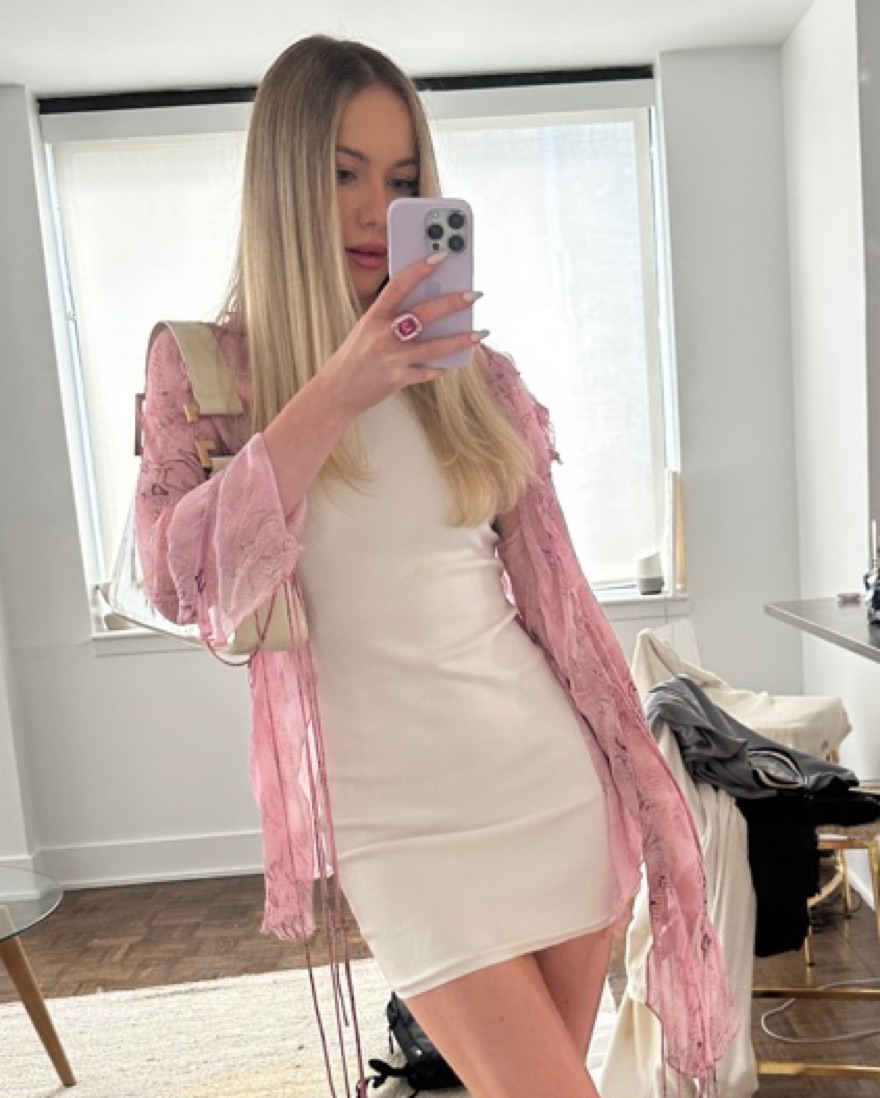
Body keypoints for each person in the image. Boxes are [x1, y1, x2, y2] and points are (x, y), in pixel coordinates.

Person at [135, 34, 738, 1098]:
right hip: (398, 825)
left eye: (404, 179)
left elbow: (558, 609)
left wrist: (639, 783)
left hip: (546, 786)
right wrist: (338, 389)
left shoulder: (475, 377)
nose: (378, 211)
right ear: (284, 180)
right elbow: (184, 583)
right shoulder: (209, 375)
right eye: (344, 174)